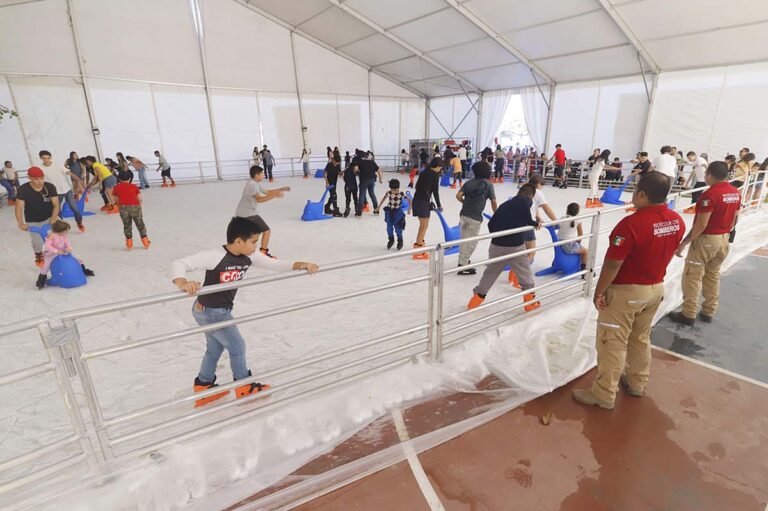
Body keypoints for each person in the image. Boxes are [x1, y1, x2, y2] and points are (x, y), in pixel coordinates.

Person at [171, 217, 319, 407]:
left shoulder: (250, 255)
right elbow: (179, 263)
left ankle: (203, 386)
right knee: (237, 347)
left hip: (213, 310)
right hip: (212, 311)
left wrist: (301, 264)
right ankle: (243, 386)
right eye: (253, 242)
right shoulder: (215, 256)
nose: (256, 246)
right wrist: (183, 282)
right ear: (239, 241)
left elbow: (275, 264)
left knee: (215, 348)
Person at [572, 172, 685, 410]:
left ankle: (603, 393)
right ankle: (637, 382)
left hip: (627, 293)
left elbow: (613, 263)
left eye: (635, 191)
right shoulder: (676, 220)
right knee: (640, 337)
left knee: (612, 341)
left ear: (642, 194)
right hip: (655, 289)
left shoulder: (631, 224)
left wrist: (599, 291)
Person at [669, 161, 740, 326]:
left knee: (692, 276)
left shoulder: (710, 195)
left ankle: (688, 313)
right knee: (713, 275)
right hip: (724, 239)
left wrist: (685, 242)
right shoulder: (734, 192)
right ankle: (709, 310)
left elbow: (701, 224)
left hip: (707, 240)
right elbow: (736, 217)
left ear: (709, 175)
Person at [466, 184, 541, 312]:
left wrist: (500, 236)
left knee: (491, 272)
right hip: (515, 246)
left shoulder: (505, 205)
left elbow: (491, 224)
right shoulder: (525, 200)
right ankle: (529, 302)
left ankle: (477, 298)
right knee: (524, 272)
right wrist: (534, 223)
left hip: (496, 245)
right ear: (531, 195)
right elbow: (528, 218)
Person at [235, 165, 290, 258]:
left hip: (243, 212)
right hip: (248, 213)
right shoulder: (252, 185)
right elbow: (259, 199)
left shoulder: (254, 183)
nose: (264, 175)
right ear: (256, 175)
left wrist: (281, 189)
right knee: (266, 231)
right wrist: (275, 196)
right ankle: (263, 252)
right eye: (262, 174)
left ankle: (241, 250)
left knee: (249, 234)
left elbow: (266, 192)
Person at [456, 161, 497, 275]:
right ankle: (462, 265)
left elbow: (458, 196)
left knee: (464, 239)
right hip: (475, 217)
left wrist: (465, 203)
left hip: (464, 214)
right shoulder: (488, 184)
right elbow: (493, 202)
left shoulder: (469, 183)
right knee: (472, 242)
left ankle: (463, 260)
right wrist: (496, 213)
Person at [15, 166, 60, 267]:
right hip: (33, 220)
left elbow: (56, 204)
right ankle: (39, 254)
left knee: (54, 239)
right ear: (29, 178)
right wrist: (20, 223)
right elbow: (19, 207)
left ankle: (56, 253)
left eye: (41, 178)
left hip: (49, 217)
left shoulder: (50, 187)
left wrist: (53, 218)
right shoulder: (23, 189)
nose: (39, 181)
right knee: (37, 242)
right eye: (36, 179)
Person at [36, 219, 94, 289]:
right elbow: (47, 246)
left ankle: (84, 270)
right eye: (65, 231)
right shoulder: (52, 236)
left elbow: (67, 242)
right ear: (59, 231)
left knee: (78, 259)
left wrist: (69, 248)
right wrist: (56, 251)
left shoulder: (64, 236)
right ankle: (41, 281)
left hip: (63, 252)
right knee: (46, 266)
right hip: (52, 254)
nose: (67, 232)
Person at [39, 150, 85, 232]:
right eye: (44, 158)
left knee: (75, 208)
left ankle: (79, 223)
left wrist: (80, 181)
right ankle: (61, 228)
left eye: (48, 158)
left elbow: (69, 173)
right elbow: (40, 181)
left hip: (67, 190)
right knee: (58, 211)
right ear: (41, 158)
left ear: (51, 158)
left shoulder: (58, 165)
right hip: (55, 193)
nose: (47, 160)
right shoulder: (40, 168)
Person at [411, 157, 443, 260]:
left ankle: (420, 244)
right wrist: (439, 205)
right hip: (423, 202)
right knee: (424, 226)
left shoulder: (424, 172)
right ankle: (418, 249)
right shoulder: (434, 175)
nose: (440, 169)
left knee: (422, 225)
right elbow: (435, 191)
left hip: (417, 200)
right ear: (437, 166)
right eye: (440, 167)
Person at [112, 171, 151, 250]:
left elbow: (115, 198)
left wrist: (119, 204)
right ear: (130, 178)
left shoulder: (116, 187)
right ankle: (145, 241)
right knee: (140, 224)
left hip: (123, 208)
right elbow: (139, 198)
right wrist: (139, 206)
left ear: (119, 179)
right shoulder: (134, 186)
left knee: (127, 225)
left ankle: (129, 243)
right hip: (135, 207)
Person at [377, 178, 409, 250]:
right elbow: (383, 198)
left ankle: (400, 241)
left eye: (396, 189)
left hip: (398, 213)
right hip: (390, 212)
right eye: (393, 190)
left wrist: (409, 209)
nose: (395, 191)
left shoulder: (401, 194)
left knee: (398, 228)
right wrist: (378, 207)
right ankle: (391, 239)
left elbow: (409, 199)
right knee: (389, 228)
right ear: (390, 188)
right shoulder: (389, 193)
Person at [557, 203, 588, 270]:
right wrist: (578, 242)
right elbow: (580, 234)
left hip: (559, 243)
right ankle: (583, 269)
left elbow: (557, 226)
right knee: (585, 251)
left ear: (567, 210)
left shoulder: (562, 218)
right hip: (569, 246)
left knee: (578, 246)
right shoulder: (578, 220)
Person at [354, 150, 382, 217]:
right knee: (372, 194)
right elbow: (378, 169)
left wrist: (356, 172)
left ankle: (359, 212)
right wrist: (380, 178)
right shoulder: (371, 160)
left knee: (362, 195)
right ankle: (376, 210)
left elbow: (355, 168)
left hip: (364, 179)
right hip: (372, 179)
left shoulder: (359, 159)